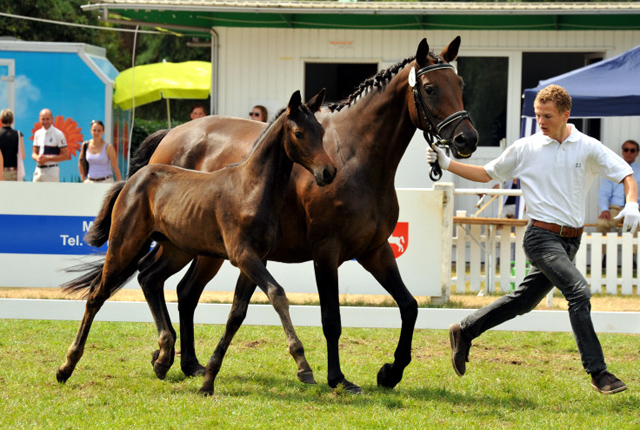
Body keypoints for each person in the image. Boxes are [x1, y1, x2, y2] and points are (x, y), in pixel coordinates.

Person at [427, 84, 640, 395]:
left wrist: (632, 202)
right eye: (538, 115)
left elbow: (625, 174)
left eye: (547, 116)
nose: (541, 121)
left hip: (570, 242)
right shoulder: (525, 148)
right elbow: (488, 173)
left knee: (524, 301)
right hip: (540, 237)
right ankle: (599, 372)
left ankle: (466, 330)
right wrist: (447, 164)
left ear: (567, 114)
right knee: (579, 292)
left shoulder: (587, 146)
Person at [597, 139, 640, 234]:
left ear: (637, 153)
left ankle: (634, 250)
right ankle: (604, 249)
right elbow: (604, 193)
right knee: (602, 223)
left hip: (635, 209)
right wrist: (605, 209)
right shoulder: (613, 170)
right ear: (622, 151)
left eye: (632, 150)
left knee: (636, 227)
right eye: (626, 149)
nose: (629, 152)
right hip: (615, 209)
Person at [32, 108, 69, 182]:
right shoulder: (37, 133)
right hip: (38, 170)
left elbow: (66, 155)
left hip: (51, 171)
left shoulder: (58, 134)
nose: (45, 122)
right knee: (35, 193)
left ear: (52, 119)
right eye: (43, 119)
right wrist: (37, 158)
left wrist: (48, 158)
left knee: (51, 193)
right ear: (39, 119)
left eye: (47, 119)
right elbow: (34, 153)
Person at [0, 108, 25, 181]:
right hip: (14, 172)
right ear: (12, 121)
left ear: (1, 120)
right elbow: (22, 155)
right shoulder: (18, 135)